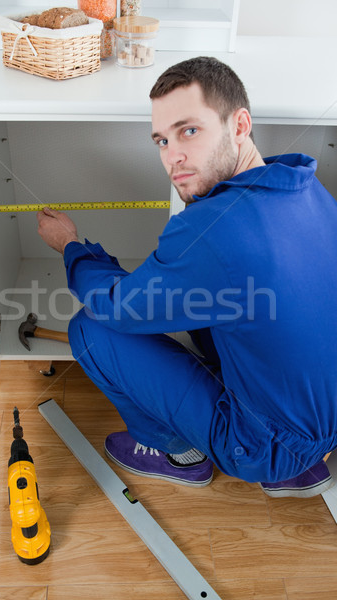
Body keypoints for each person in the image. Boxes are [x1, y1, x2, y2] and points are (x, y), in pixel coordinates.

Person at [37, 56, 337, 498]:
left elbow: (117, 307)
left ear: (239, 125)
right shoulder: (304, 186)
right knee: (206, 300)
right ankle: (299, 455)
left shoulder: (214, 230)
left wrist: (72, 246)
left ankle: (176, 453)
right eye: (161, 140)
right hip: (322, 421)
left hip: (268, 443)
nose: (171, 156)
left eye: (189, 131)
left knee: (91, 328)